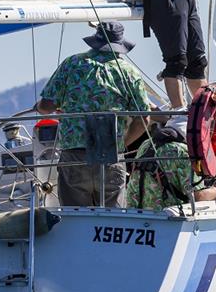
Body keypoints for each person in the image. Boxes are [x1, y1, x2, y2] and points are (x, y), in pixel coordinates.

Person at [36, 22, 150, 207]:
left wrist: (40, 107)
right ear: (120, 44)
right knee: (112, 220)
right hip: (110, 153)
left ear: (95, 40)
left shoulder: (71, 64)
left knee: (75, 217)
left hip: (74, 153)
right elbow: (143, 118)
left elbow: (46, 106)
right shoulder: (129, 72)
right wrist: (122, 144)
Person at [127, 120, 216, 210]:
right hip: (168, 218)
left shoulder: (146, 144)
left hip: (138, 214)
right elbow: (197, 197)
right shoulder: (182, 152)